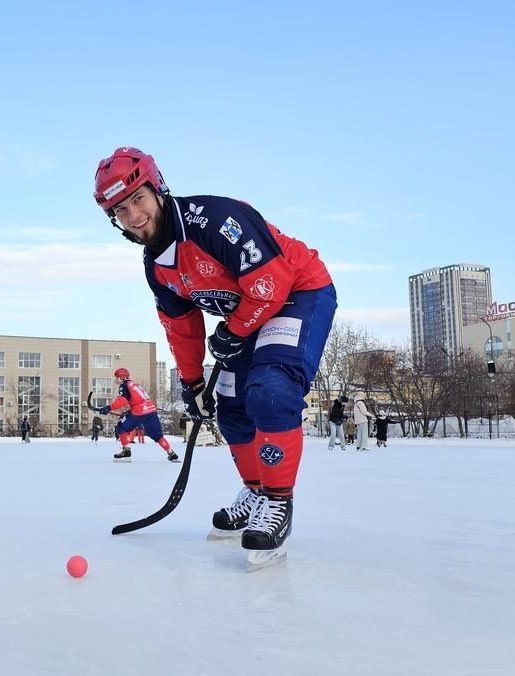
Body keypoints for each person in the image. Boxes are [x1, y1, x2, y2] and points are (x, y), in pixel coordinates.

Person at [93, 147, 335, 557]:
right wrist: (191, 383)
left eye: (138, 199)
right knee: (226, 403)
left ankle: (278, 501)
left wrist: (234, 329)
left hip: (297, 292)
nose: (133, 216)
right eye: (120, 210)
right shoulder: (157, 267)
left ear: (159, 189)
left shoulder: (216, 220)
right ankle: (257, 492)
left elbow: (272, 281)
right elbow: (181, 328)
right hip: (247, 314)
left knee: (270, 389)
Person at [97, 367, 179, 463]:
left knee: (121, 427)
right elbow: (137, 399)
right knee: (157, 435)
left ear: (121, 377)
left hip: (139, 411)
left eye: (117, 377)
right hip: (151, 410)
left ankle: (126, 452)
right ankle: (171, 453)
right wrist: (128, 412)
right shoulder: (134, 384)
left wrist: (109, 407)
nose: (116, 380)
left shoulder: (124, 385)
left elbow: (122, 400)